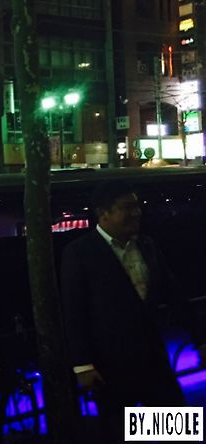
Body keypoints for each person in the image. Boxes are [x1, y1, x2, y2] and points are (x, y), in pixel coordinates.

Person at [60, 180, 206, 440]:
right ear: (103, 213)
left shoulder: (147, 245)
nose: (137, 213)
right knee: (121, 433)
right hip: (110, 366)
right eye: (127, 207)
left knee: (174, 430)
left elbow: (174, 296)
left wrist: (200, 338)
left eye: (137, 206)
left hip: (152, 357)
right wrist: (82, 365)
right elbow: (74, 310)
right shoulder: (79, 253)